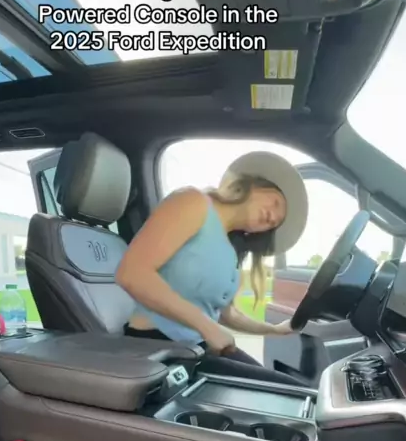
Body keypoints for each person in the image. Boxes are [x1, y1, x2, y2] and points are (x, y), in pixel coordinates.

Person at [116, 151, 309, 386]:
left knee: (293, 391)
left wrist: (274, 330)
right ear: (255, 186)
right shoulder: (192, 202)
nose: (272, 218)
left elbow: (227, 314)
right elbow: (132, 273)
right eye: (276, 203)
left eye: (275, 224)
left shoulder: (230, 251)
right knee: (284, 391)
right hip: (156, 347)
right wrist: (208, 328)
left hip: (196, 348)